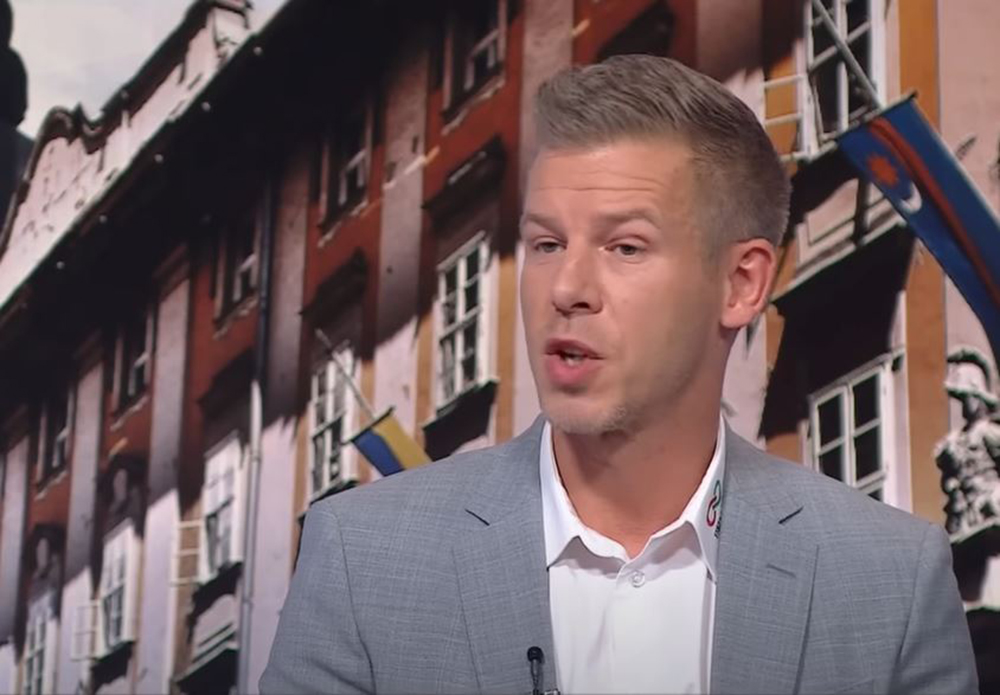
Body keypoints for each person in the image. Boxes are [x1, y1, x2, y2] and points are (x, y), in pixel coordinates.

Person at [261, 55, 977, 694]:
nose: (567, 288)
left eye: (625, 247)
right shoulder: (361, 558)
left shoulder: (892, 581)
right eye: (546, 243)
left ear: (740, 283)